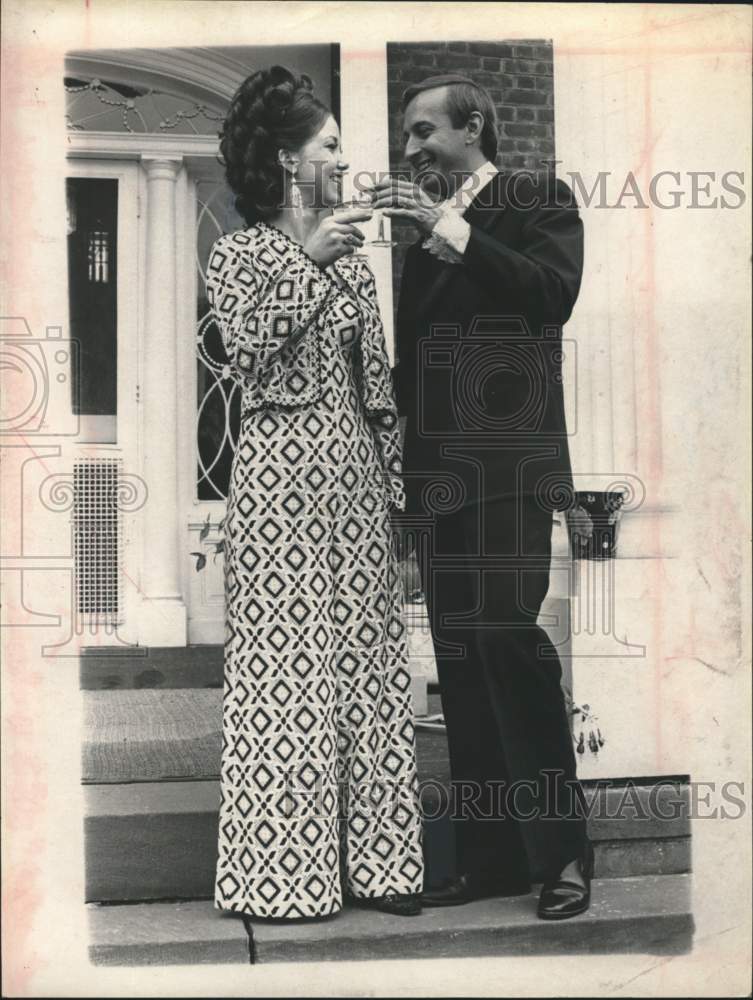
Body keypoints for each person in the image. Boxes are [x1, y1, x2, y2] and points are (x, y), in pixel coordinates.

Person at [372, 73, 592, 920]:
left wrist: (448, 228)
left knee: (506, 639)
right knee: (460, 662)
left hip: (509, 472)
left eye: (423, 131)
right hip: (440, 482)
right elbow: (418, 375)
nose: (410, 149)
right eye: (407, 135)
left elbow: (550, 296)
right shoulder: (418, 246)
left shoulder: (536, 198)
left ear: (472, 128)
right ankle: (492, 862)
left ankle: (562, 855)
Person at [205, 65, 424, 921]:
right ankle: (284, 878)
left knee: (369, 663)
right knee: (283, 669)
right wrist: (305, 261)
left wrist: (396, 497)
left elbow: (379, 389)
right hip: (277, 480)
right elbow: (246, 350)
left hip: (355, 477)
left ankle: (383, 870)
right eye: (329, 145)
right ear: (288, 159)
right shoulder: (237, 253)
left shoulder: (356, 263)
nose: (342, 158)